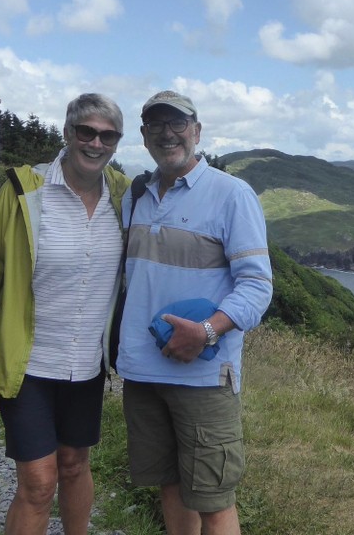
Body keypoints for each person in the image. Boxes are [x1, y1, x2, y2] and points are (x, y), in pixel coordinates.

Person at [0, 93, 131, 535]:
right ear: (67, 132)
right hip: (29, 365)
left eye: (107, 135)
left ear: (117, 141)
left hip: (87, 366)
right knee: (38, 484)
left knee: (75, 465)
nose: (96, 143)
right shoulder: (24, 191)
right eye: (86, 132)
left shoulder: (123, 194)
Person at [117, 90, 272, 535]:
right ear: (145, 136)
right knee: (170, 487)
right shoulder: (137, 195)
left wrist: (206, 331)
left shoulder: (231, 194)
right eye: (156, 125)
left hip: (203, 378)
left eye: (178, 124)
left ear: (197, 131)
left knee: (214, 501)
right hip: (143, 374)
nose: (168, 134)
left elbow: (258, 285)